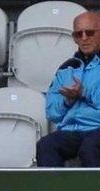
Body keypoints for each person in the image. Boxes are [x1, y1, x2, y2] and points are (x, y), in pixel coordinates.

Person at [37, 11, 100, 167]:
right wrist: (68, 101)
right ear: (74, 38)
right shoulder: (66, 68)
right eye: (79, 34)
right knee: (46, 145)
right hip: (71, 131)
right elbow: (51, 113)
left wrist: (83, 93)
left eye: (90, 32)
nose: (84, 38)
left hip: (97, 129)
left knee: (90, 148)